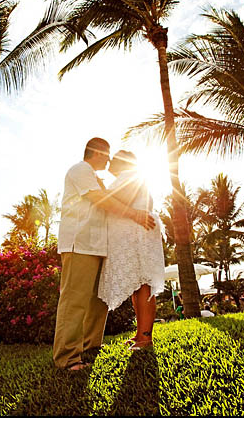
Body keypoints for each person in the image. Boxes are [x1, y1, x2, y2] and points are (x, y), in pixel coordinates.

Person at [53, 138, 155, 371]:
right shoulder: (80, 170)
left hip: (98, 247)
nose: (109, 160)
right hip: (80, 243)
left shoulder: (96, 177)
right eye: (107, 155)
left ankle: (91, 347)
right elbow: (100, 200)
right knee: (75, 300)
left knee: (98, 301)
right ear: (98, 152)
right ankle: (67, 358)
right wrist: (134, 214)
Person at [97, 150, 166, 350]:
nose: (109, 160)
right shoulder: (128, 178)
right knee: (138, 286)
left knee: (144, 285)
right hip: (136, 235)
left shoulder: (130, 178)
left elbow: (110, 202)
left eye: (114, 157)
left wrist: (100, 192)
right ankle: (140, 335)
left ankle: (145, 338)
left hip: (138, 235)